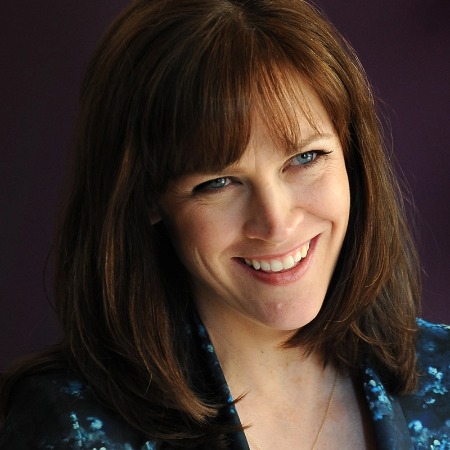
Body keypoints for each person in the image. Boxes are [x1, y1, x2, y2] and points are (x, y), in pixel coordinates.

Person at [1, 0, 449, 448]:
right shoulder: (68, 425)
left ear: (351, 156)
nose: (275, 223)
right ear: (146, 198)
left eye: (305, 157)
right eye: (218, 182)